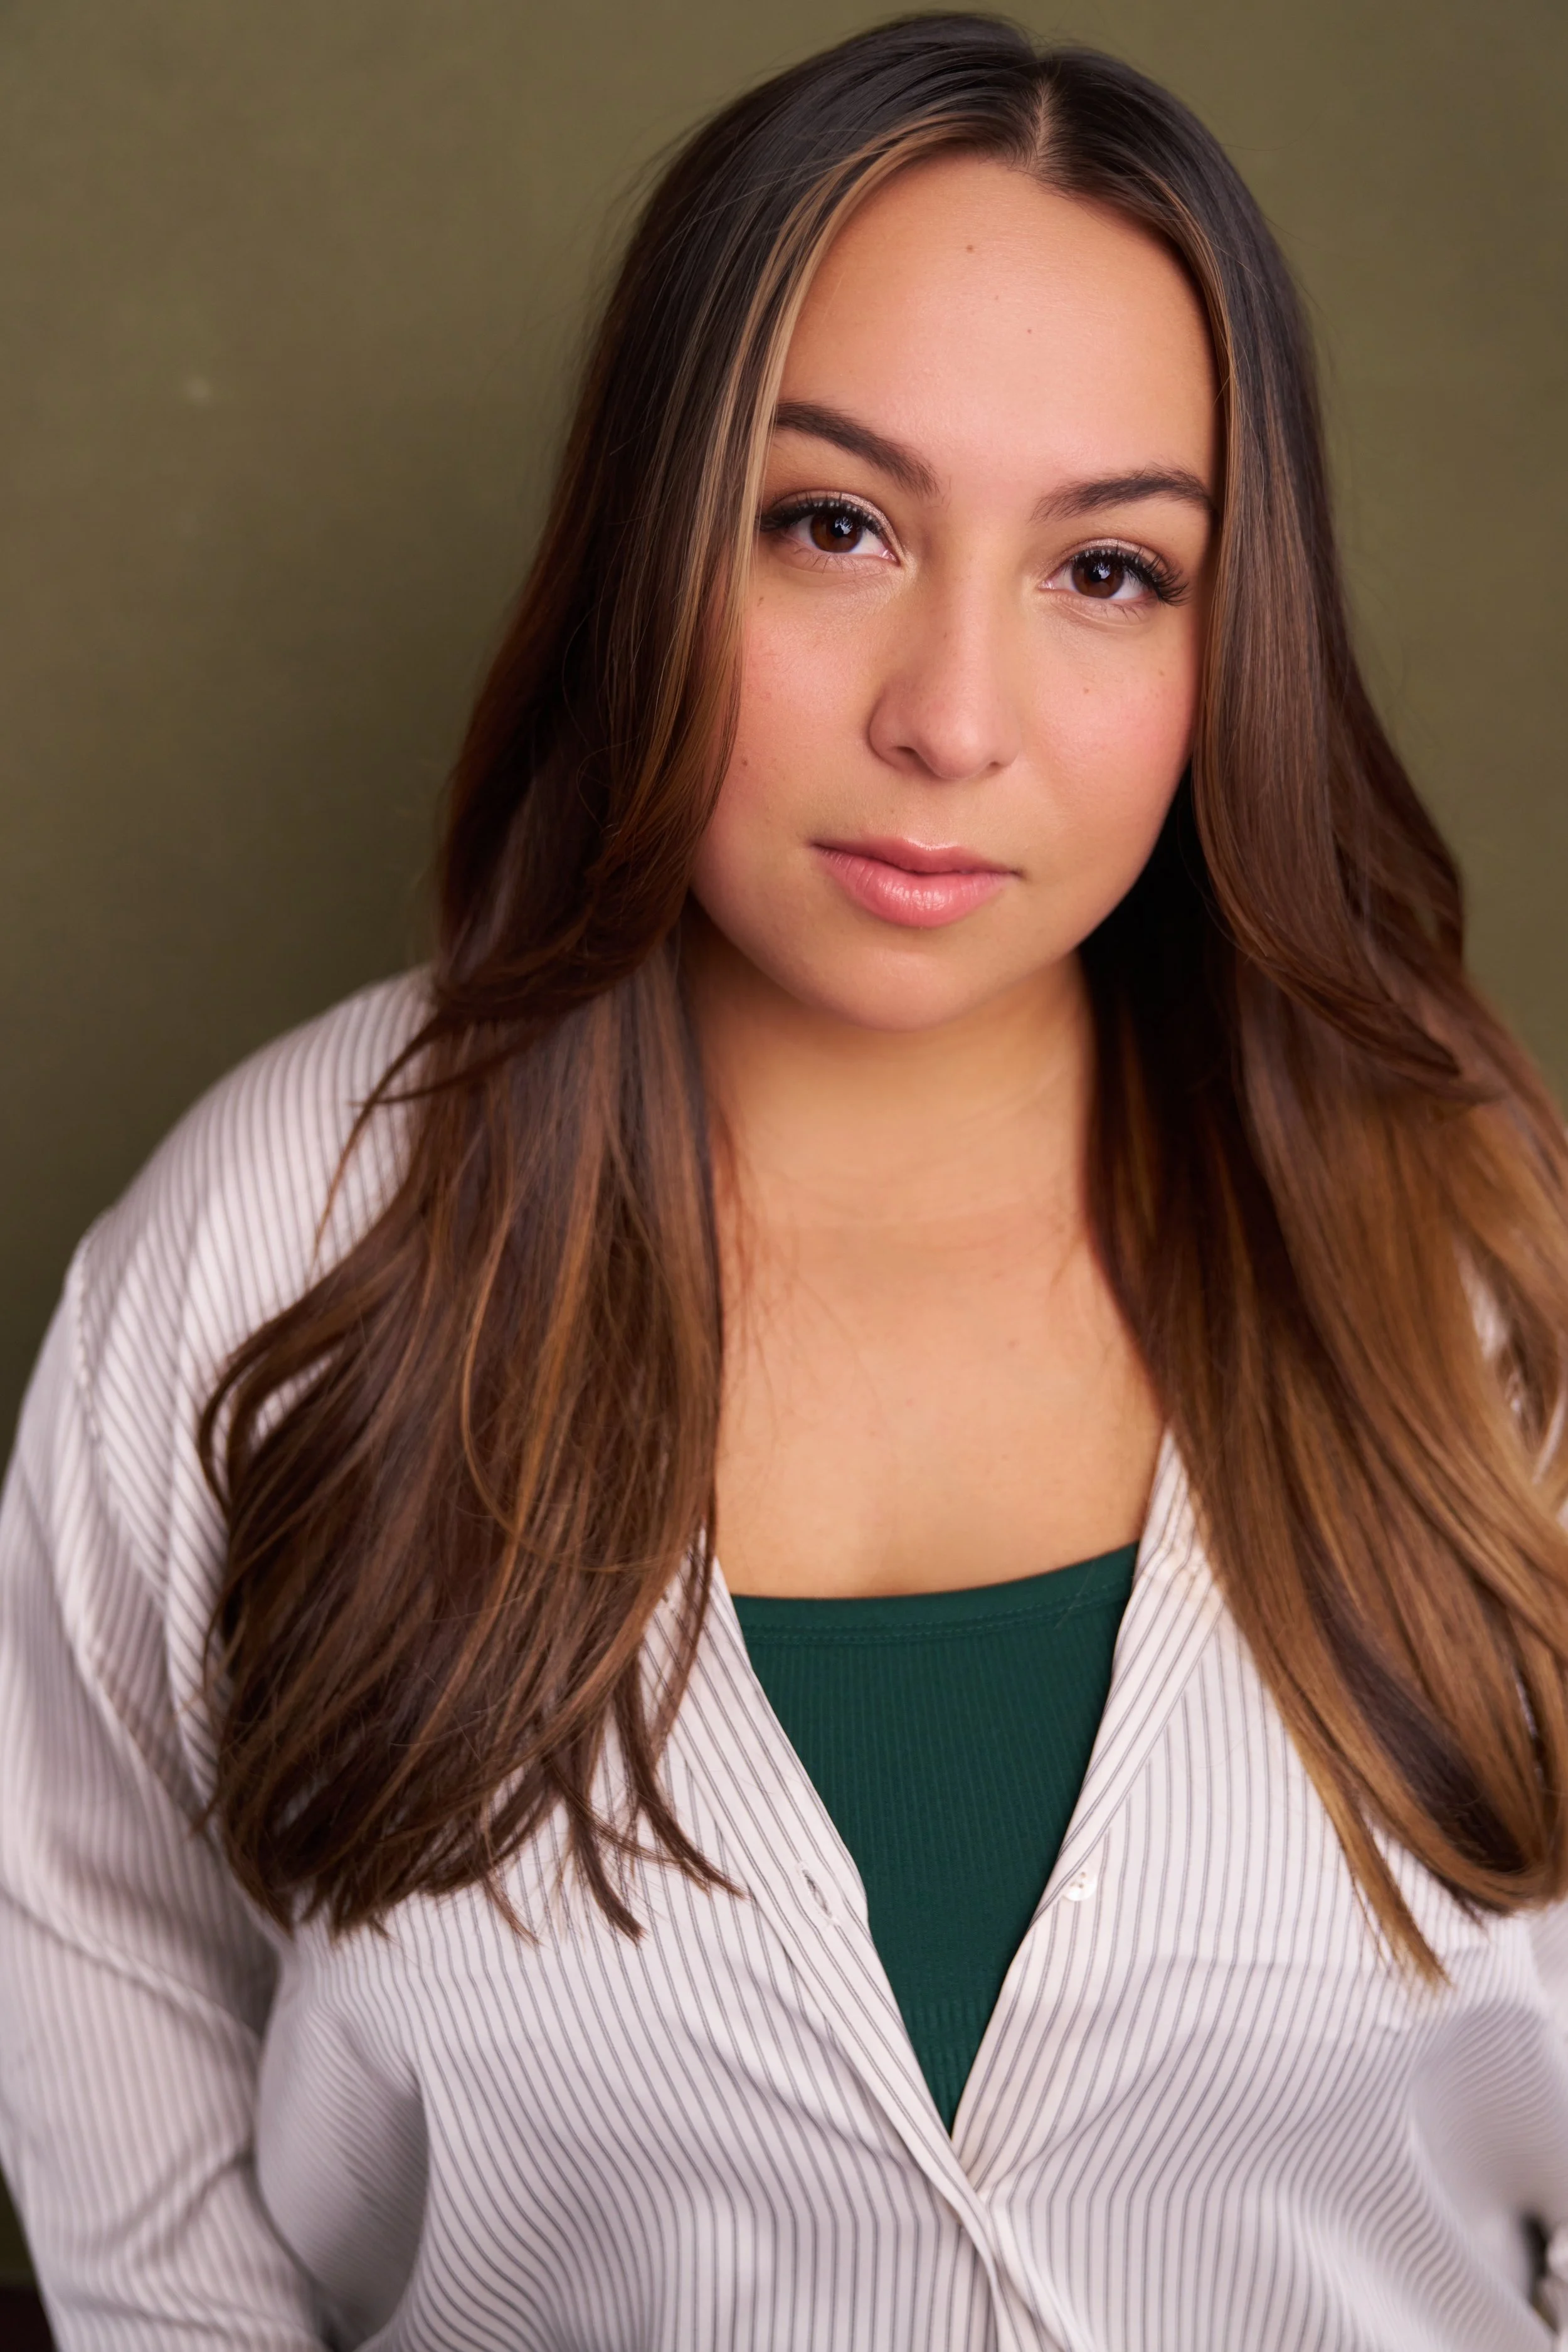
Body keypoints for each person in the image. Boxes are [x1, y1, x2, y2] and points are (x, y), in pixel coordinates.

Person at [4, 14, 1568, 2348]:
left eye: (1108, 568)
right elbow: (146, 2196)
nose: (951, 715)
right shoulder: (273, 1252)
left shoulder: (1474, 1269)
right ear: (655, 542)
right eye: (832, 524)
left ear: (1231, 633)